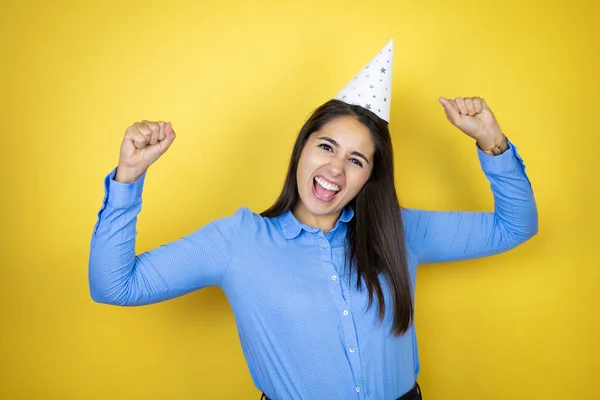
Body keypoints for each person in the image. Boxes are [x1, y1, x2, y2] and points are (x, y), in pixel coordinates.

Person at [88, 40, 538, 400]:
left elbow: (515, 226)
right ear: (302, 149)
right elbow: (114, 285)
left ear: (369, 178)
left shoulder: (399, 231)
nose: (336, 169)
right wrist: (129, 177)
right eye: (326, 147)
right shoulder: (239, 241)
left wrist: (492, 143)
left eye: (356, 159)